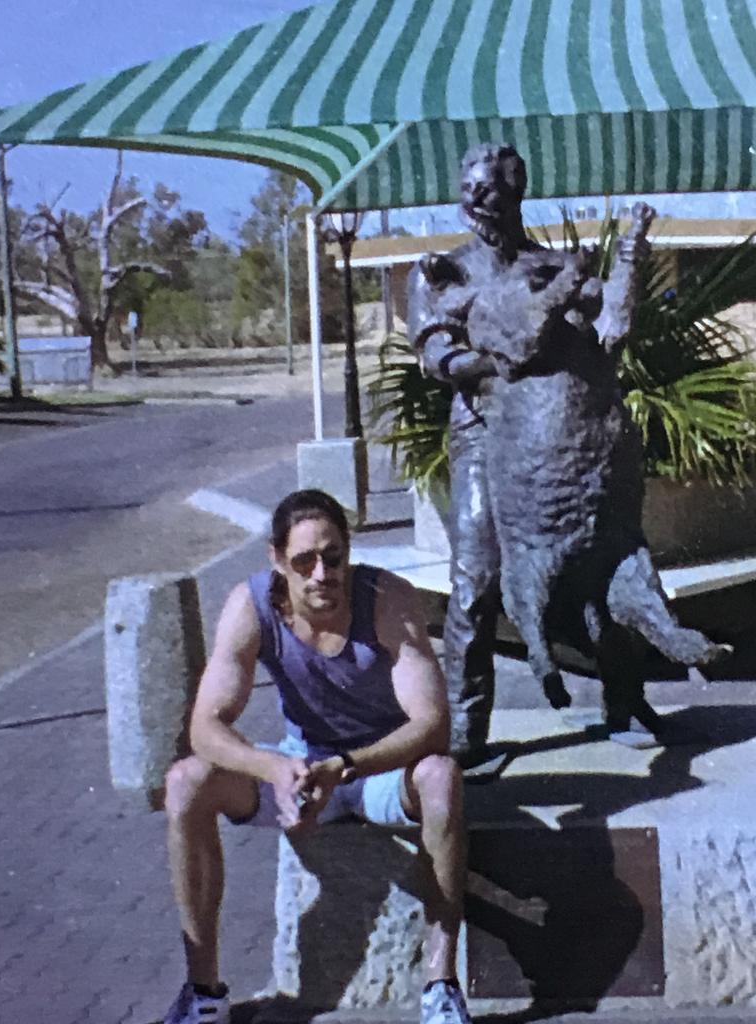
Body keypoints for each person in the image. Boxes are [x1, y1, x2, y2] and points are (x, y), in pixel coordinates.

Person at [162, 489, 473, 1024]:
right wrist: (274, 770)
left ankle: (440, 986)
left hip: (380, 769)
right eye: (304, 561)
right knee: (187, 782)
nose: (321, 574)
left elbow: (431, 724)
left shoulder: (386, 600)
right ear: (278, 560)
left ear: (349, 553)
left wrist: (346, 767)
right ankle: (204, 992)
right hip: (302, 766)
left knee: (442, 779)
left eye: (333, 557)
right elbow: (205, 727)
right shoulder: (252, 605)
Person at [407, 143, 540, 765]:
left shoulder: (545, 266)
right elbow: (437, 355)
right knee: (475, 580)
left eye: (487, 189)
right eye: (467, 188)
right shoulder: (439, 271)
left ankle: (622, 696)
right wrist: (496, 360)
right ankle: (466, 730)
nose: (474, 200)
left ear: (517, 192)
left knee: (592, 562)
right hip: (482, 432)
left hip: (547, 434)